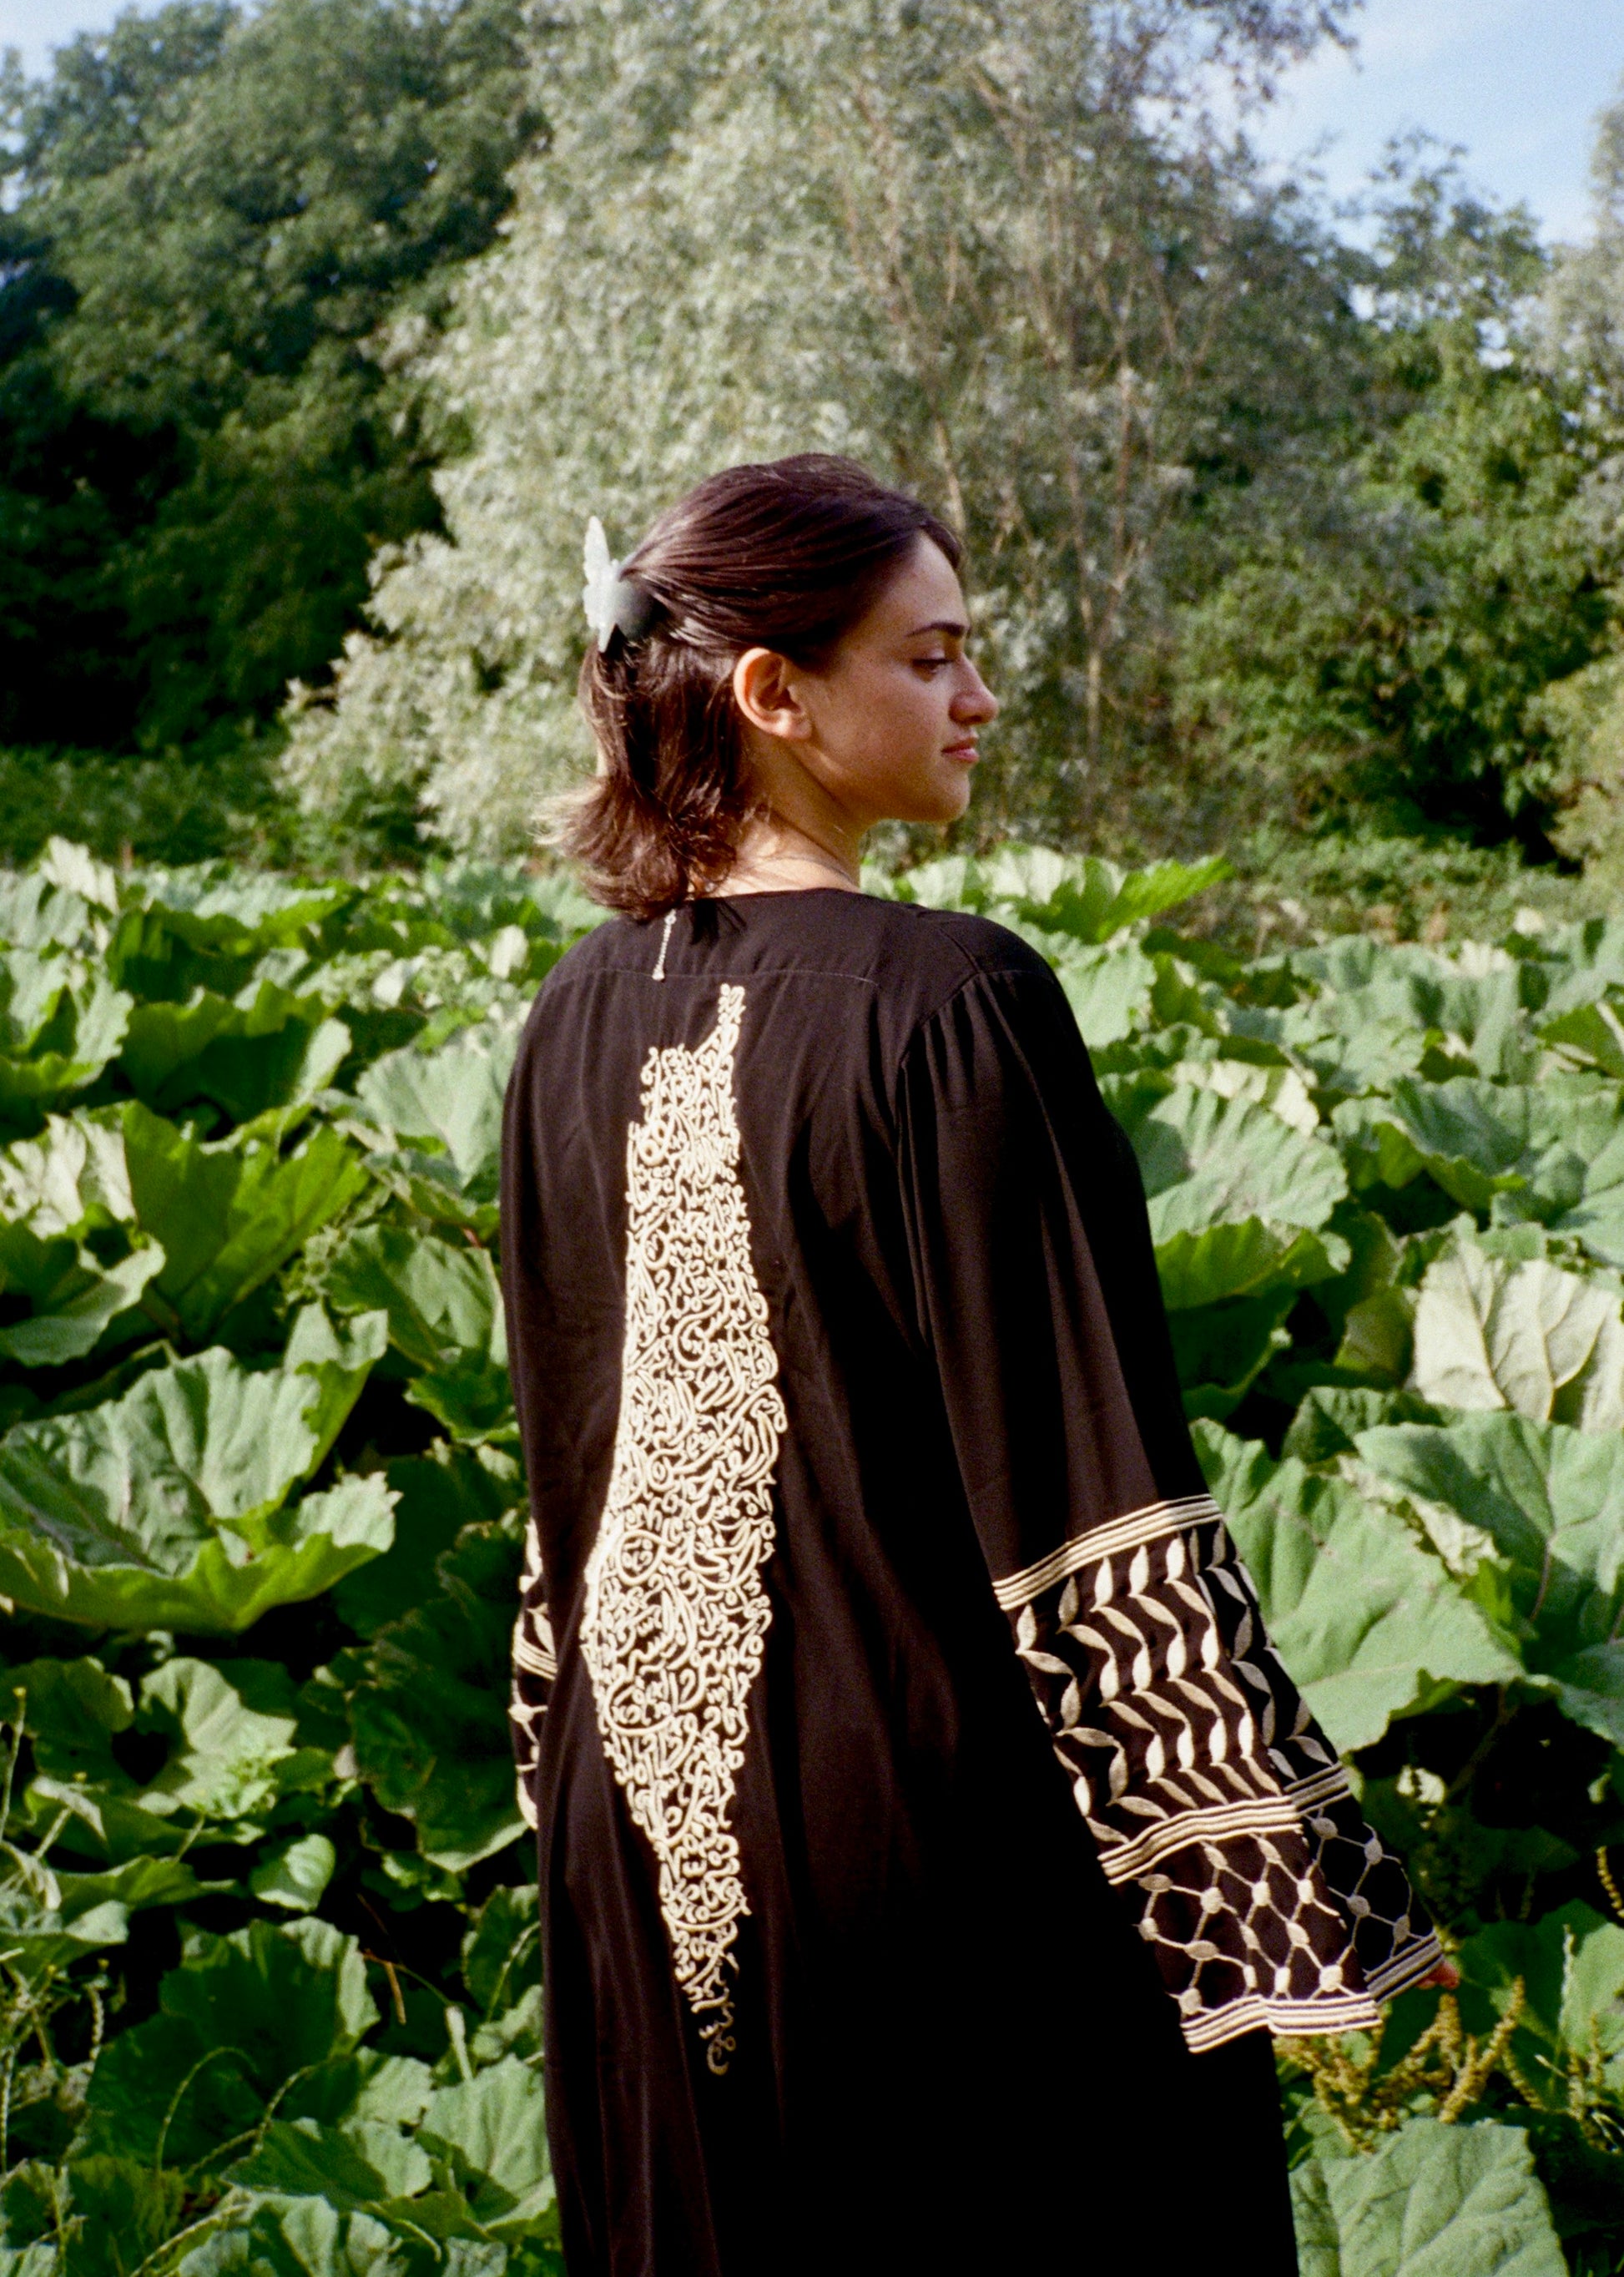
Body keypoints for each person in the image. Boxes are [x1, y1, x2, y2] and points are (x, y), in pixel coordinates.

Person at [501, 455, 1442, 2277]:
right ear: (774, 696)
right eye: (930, 658)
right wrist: (1260, 1886)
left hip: (634, 1830)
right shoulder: (951, 998)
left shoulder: (567, 1015)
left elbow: (562, 1491)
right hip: (932, 1852)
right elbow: (1082, 1481)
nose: (979, 699)